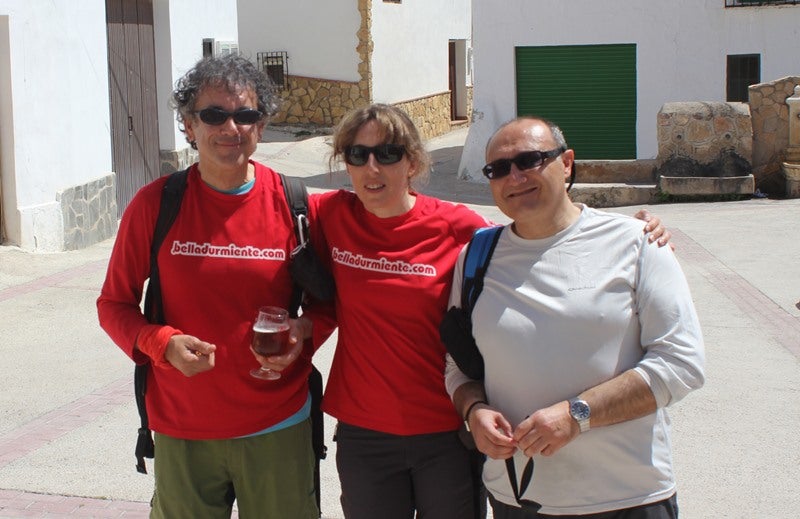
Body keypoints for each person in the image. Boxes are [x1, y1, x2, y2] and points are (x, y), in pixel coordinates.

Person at [305, 104, 672, 519]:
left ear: (413, 163)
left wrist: (628, 233)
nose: (372, 168)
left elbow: (535, 237)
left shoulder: (458, 226)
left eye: (388, 153)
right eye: (358, 155)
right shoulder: (330, 215)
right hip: (364, 431)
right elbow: (265, 211)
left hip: (448, 429)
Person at [97, 54, 333, 518]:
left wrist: (303, 331)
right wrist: (161, 342)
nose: (231, 127)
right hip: (182, 425)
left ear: (261, 126)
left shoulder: (297, 206)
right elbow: (113, 304)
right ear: (189, 125)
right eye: (213, 114)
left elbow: (332, 303)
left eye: (245, 115)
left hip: (278, 424)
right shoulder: (156, 204)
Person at [445, 116, 705, 518]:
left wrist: (577, 415)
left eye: (529, 160)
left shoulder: (636, 242)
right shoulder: (477, 256)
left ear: (566, 163)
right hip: (517, 499)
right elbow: (457, 366)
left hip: (628, 498)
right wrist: (473, 410)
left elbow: (681, 363)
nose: (515, 177)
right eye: (498, 169)